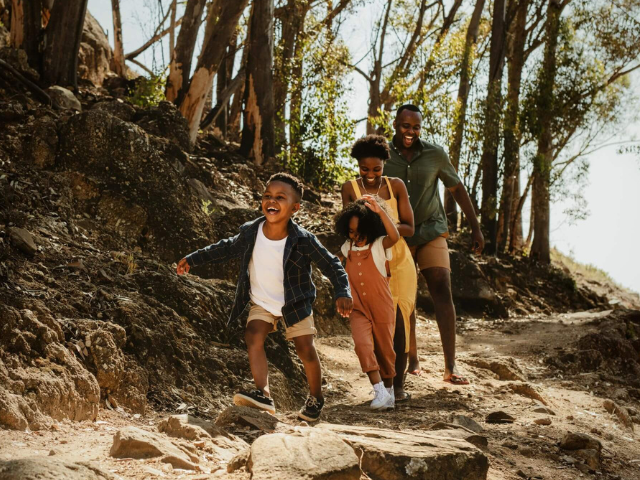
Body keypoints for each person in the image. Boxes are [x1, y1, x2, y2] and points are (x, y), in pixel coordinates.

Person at [176, 172, 353, 421]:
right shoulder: (251, 231)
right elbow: (225, 248)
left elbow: (332, 264)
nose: (272, 200)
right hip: (262, 301)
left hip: (295, 302)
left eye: (281, 197)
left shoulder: (303, 240)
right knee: (253, 335)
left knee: (305, 349)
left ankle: (316, 397)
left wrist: (342, 291)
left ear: (295, 208)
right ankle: (264, 394)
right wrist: (194, 258)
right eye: (267, 195)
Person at [383, 104, 485, 385]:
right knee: (406, 298)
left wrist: (475, 227)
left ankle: (450, 366)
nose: (410, 132)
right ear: (395, 124)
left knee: (441, 284)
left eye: (416, 127)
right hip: (398, 233)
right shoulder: (383, 155)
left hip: (431, 229)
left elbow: (457, 189)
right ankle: (412, 359)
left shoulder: (435, 154)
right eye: (405, 126)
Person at [341, 135, 417, 402]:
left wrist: (383, 221)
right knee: (374, 325)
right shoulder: (349, 187)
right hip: (370, 259)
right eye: (365, 169)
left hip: (397, 258)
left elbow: (408, 227)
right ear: (358, 165)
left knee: (400, 320)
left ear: (385, 164)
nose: (371, 175)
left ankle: (398, 385)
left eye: (377, 169)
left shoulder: (396, 186)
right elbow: (348, 226)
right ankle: (382, 386)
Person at [335, 195, 399, 410]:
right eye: (351, 232)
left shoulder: (380, 245)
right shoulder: (347, 248)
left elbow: (395, 236)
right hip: (358, 308)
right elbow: (334, 265)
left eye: (361, 231)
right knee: (362, 345)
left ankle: (389, 392)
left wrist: (380, 211)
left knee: (385, 351)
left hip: (382, 307)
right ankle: (379, 389)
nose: (356, 236)